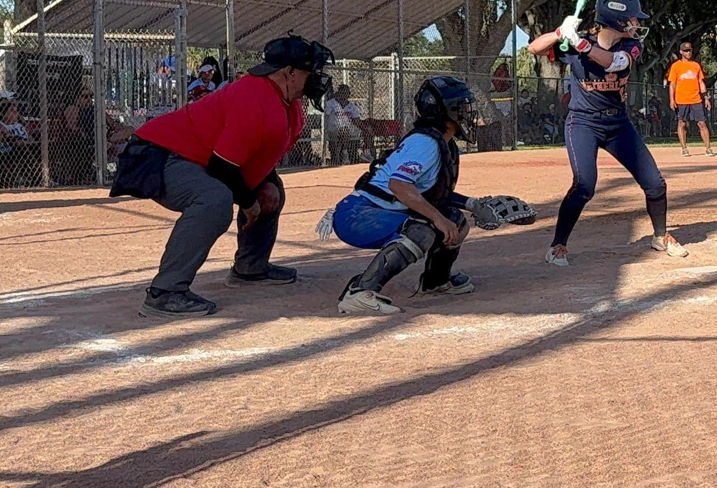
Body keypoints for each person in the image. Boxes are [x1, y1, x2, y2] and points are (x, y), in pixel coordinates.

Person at [112, 35, 332, 317]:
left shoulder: (287, 101)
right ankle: (165, 293)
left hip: (197, 157)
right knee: (214, 200)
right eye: (309, 71)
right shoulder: (254, 98)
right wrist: (248, 202)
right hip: (157, 154)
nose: (316, 78)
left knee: (271, 190)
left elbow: (254, 157)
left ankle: (251, 268)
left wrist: (258, 192)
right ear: (288, 72)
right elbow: (222, 167)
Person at [526, 0, 687, 266]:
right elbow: (534, 48)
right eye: (634, 19)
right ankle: (558, 246)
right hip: (583, 123)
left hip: (617, 123)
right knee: (584, 186)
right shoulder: (577, 43)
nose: (637, 25)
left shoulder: (631, 46)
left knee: (655, 183)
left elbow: (615, 63)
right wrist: (559, 33)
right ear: (618, 20)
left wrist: (582, 45)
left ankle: (660, 237)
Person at [329, 77, 480, 314]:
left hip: (380, 209)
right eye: (462, 107)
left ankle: (435, 282)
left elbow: (431, 195)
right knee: (422, 228)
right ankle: (359, 293)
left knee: (454, 219)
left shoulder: (442, 142)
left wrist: (473, 204)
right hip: (358, 215)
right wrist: (438, 219)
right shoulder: (426, 143)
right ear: (446, 111)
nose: (468, 112)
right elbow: (399, 185)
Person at [667, 41, 715, 157]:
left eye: (689, 51)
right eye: (685, 51)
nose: (688, 53)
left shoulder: (696, 65)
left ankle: (708, 148)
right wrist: (672, 100)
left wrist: (706, 98)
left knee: (702, 123)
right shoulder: (676, 66)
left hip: (696, 99)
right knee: (682, 123)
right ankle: (684, 148)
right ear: (681, 52)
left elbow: (701, 82)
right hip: (681, 100)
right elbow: (672, 84)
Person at [325, 83, 364, 165]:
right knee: (343, 130)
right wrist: (325, 130)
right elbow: (326, 117)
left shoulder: (351, 106)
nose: (345, 95)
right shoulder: (331, 103)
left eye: (347, 93)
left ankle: (347, 155)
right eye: (342, 92)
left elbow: (356, 120)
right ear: (339, 93)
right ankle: (345, 154)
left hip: (347, 129)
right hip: (333, 128)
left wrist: (364, 127)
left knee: (345, 130)